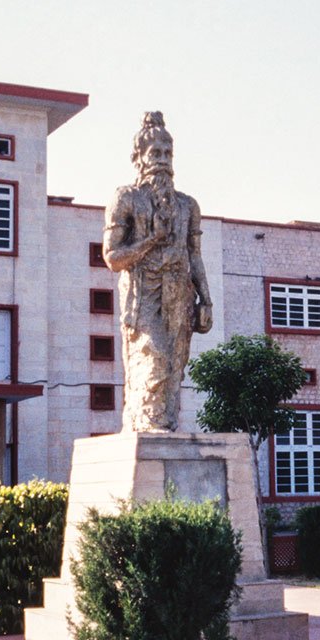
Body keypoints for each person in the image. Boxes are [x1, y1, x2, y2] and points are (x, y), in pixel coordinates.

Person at [102, 111, 212, 431]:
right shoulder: (126, 198)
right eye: (155, 153)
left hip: (179, 293)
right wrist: (151, 241)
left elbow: (195, 255)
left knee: (175, 366)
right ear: (139, 158)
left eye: (167, 154)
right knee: (155, 357)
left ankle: (165, 429)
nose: (162, 160)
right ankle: (147, 426)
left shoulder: (187, 205)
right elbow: (112, 257)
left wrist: (205, 300)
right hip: (142, 292)